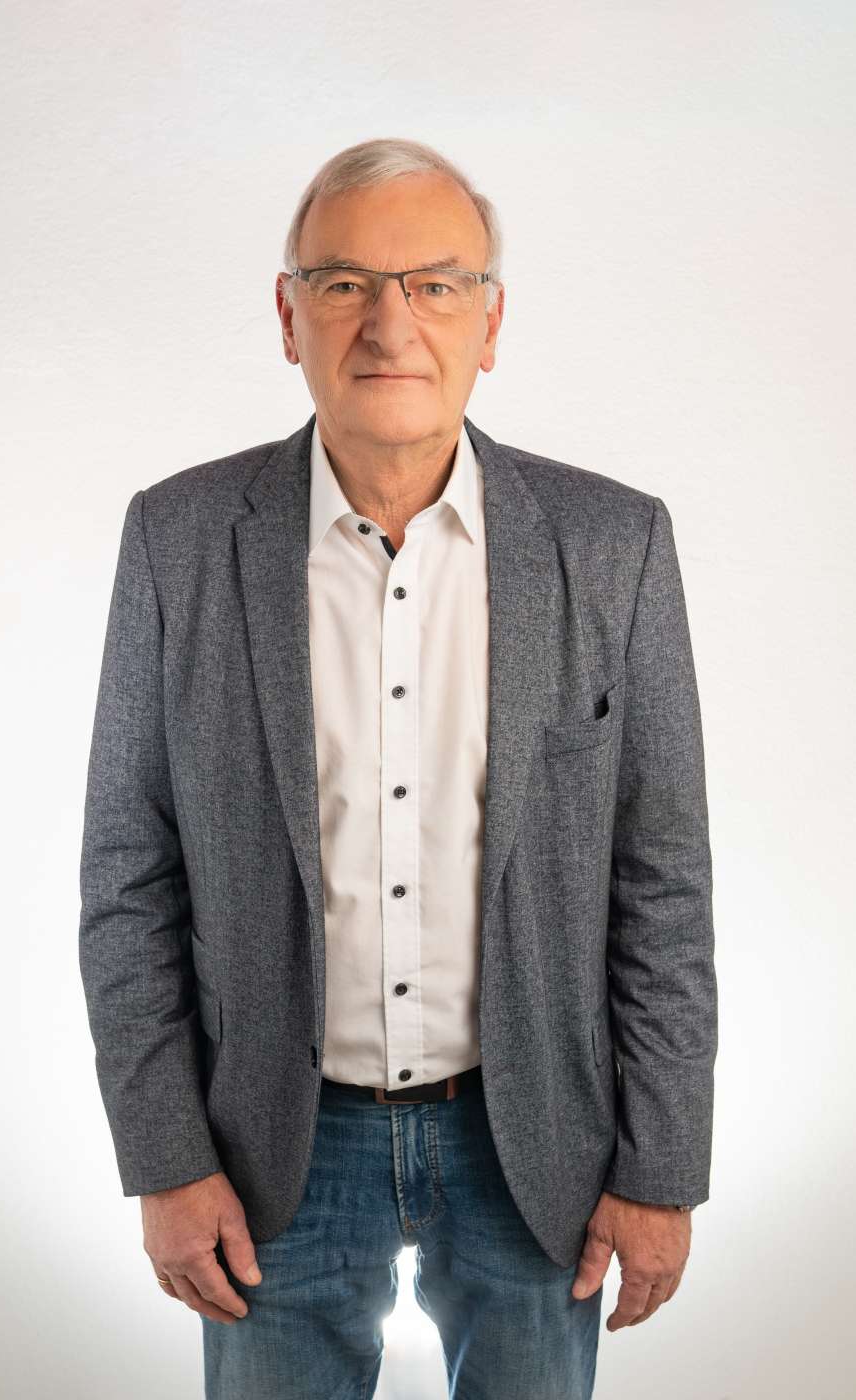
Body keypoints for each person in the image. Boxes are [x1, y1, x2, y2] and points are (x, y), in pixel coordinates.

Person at [77, 136, 717, 1400]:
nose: (390, 323)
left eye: (434, 283)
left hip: (537, 1142)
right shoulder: (179, 539)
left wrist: (662, 1165)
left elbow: (663, 882)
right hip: (271, 1151)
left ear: (491, 321)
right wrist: (164, 1157)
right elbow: (126, 871)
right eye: (344, 283)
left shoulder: (614, 544)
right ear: (288, 315)